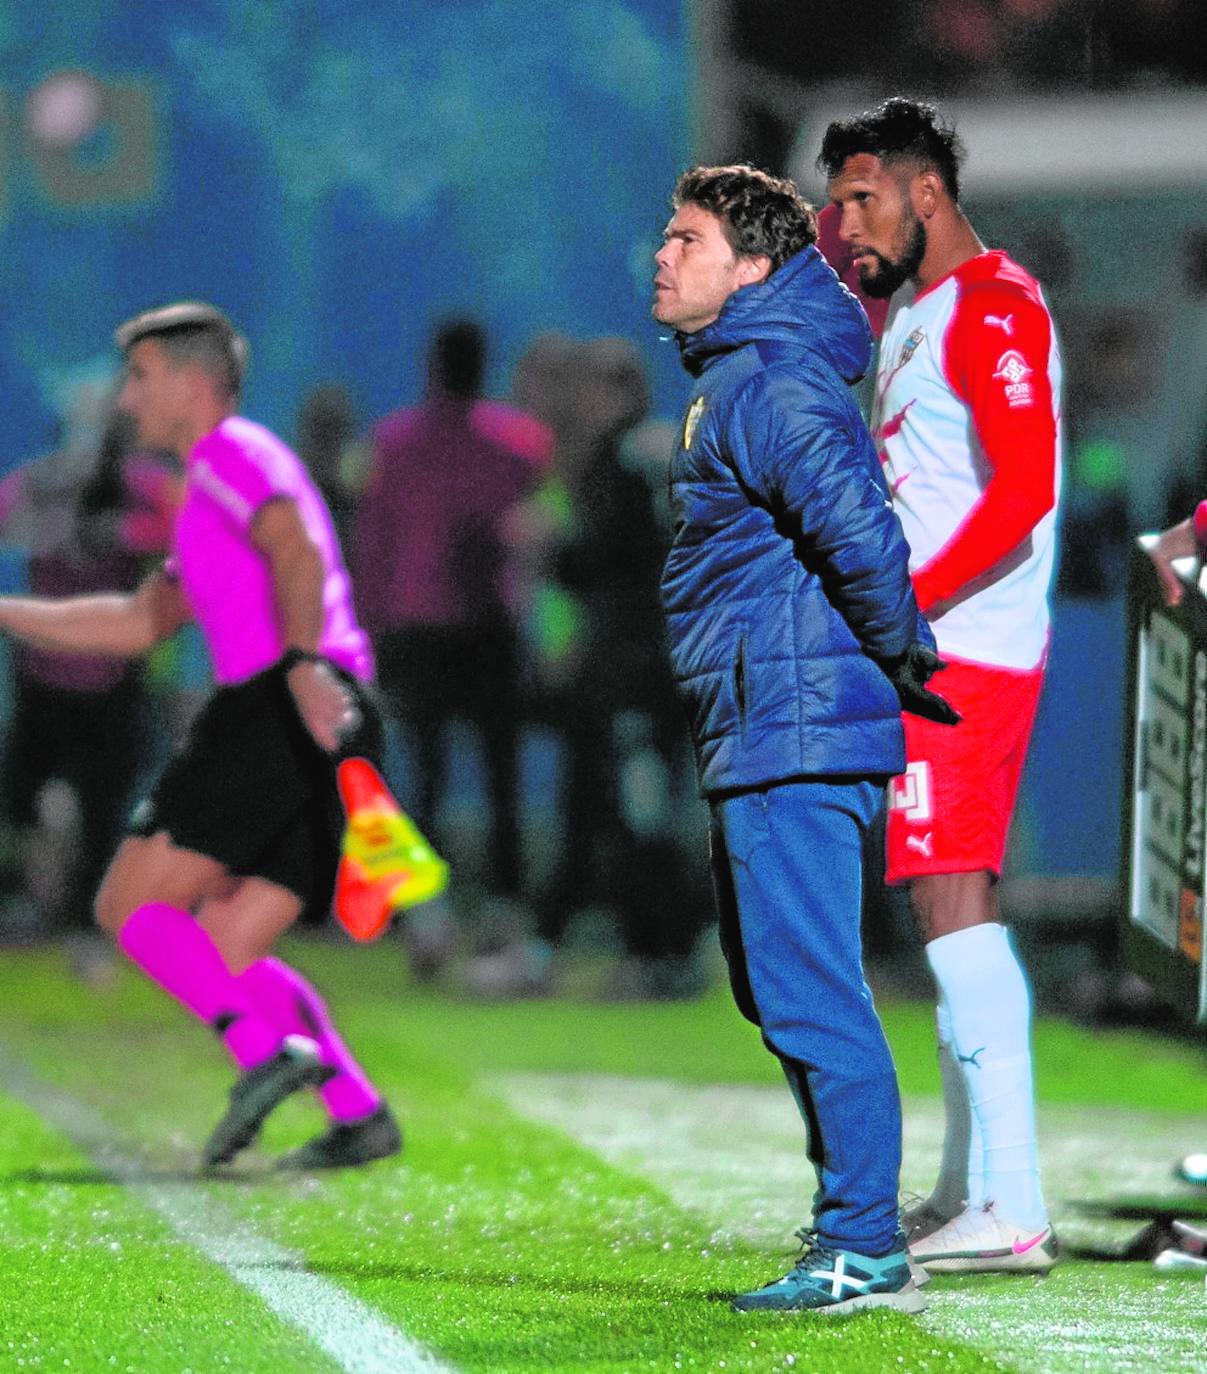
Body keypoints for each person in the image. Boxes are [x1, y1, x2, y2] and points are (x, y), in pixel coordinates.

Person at [653, 162, 957, 1316]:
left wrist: (903, 657)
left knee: (807, 985)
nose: (663, 255)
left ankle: (861, 1237)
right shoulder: (741, 374)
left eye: (687, 239)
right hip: (767, 716)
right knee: (775, 985)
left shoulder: (769, 379)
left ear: (755, 266)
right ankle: (853, 1215)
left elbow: (855, 523)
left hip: (792, 723)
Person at [0, 301, 401, 1171]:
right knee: (224, 943)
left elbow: (293, 549)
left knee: (127, 906)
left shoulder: (229, 456)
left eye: (139, 378)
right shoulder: (215, 485)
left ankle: (264, 1055)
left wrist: (297, 667)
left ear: (192, 383)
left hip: (280, 705)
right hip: (326, 711)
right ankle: (357, 1112)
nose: (126, 399)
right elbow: (139, 621)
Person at [819, 97, 1062, 1274]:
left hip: (960, 653)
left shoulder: (993, 310)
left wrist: (906, 608)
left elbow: (1020, 494)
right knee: (938, 903)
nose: (844, 225)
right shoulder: (920, 312)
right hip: (935, 649)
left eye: (861, 199)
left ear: (926, 194)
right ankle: (974, 1189)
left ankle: (1011, 1203)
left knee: (951, 903)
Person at [351, 320, 547, 911]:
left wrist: (367, 627)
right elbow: (536, 544)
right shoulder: (521, 446)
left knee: (423, 773)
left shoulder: (393, 444)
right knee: (499, 775)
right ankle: (504, 899)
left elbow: (373, 546)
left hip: (417, 627)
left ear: (431, 366)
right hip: (491, 628)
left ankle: (421, 905)